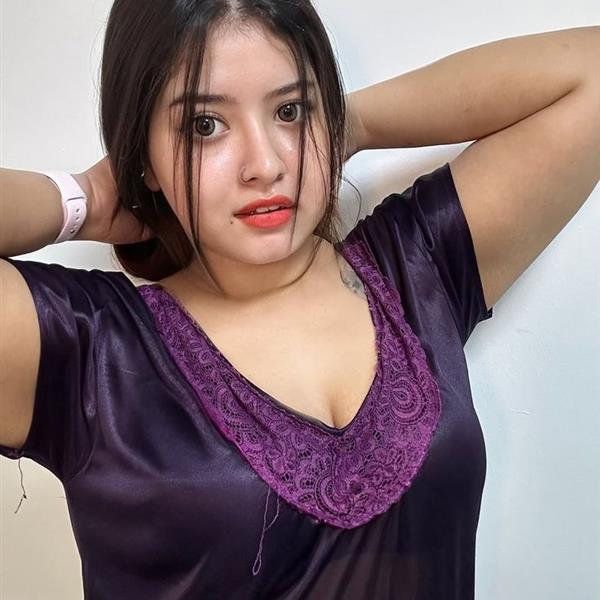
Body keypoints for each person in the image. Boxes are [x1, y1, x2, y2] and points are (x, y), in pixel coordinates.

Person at [1, 1, 598, 598]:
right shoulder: (88, 354)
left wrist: (347, 124)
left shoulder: (418, 269)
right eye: (205, 125)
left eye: (290, 111)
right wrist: (85, 197)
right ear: (144, 154)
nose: (265, 164)